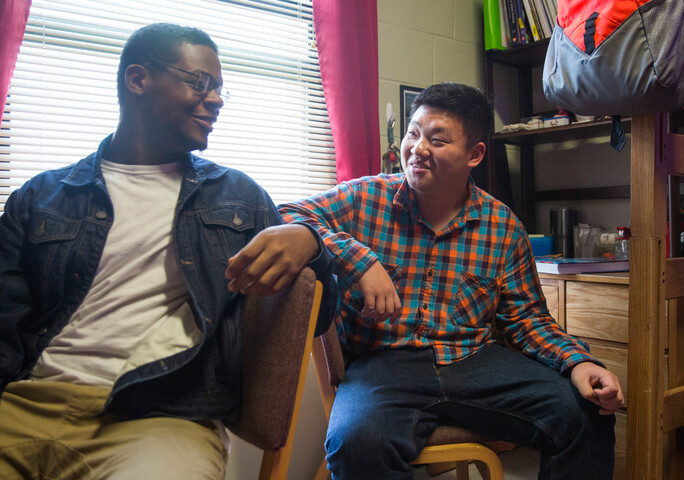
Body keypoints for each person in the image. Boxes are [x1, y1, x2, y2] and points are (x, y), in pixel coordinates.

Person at [0, 23, 335, 479]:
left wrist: (311, 242)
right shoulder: (40, 196)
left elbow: (318, 313)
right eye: (201, 83)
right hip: (25, 403)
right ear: (138, 80)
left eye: (220, 89)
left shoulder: (235, 198)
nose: (216, 99)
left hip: (160, 419)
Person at [279, 82, 625, 479]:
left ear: (475, 154)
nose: (418, 148)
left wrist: (577, 362)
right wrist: (358, 260)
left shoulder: (502, 226)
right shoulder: (364, 199)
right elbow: (282, 214)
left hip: (474, 361)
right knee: (357, 443)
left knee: (584, 414)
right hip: (383, 364)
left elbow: (528, 320)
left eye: (437, 140)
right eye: (413, 133)